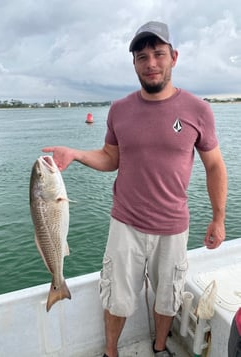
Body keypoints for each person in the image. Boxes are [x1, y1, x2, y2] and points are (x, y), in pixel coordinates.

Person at [42, 20, 227, 357]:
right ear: (134, 64)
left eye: (158, 54)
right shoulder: (119, 110)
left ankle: (159, 348)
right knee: (116, 296)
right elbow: (111, 157)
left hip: (173, 226)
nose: (151, 63)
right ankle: (110, 352)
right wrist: (75, 154)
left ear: (174, 57)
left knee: (168, 296)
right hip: (124, 223)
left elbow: (214, 165)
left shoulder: (198, 110)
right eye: (142, 57)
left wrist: (218, 218)